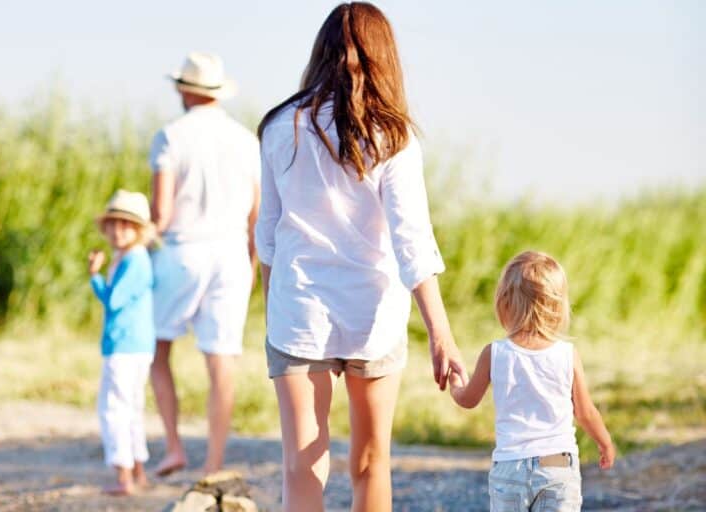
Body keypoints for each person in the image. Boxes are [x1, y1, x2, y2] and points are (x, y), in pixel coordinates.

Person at [254, 3, 466, 510]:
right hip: (374, 314)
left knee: (301, 465)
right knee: (372, 463)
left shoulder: (281, 125)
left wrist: (271, 306)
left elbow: (268, 233)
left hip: (298, 311)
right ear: (385, 56)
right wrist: (442, 332)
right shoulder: (395, 136)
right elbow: (411, 239)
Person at [148, 51, 261, 476]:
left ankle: (174, 445)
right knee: (221, 361)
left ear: (183, 89)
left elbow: (161, 213)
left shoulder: (170, 136)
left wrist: (140, 243)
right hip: (232, 254)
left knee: (158, 350)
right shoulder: (246, 139)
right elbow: (257, 212)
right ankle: (213, 464)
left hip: (182, 249)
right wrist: (251, 264)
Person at [449, 250, 615, 511]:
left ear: (503, 302)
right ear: (558, 306)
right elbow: (585, 412)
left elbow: (468, 400)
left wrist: (456, 384)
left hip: (510, 466)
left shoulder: (495, 353)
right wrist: (604, 442)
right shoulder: (567, 354)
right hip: (557, 464)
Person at [88, 190, 156, 496]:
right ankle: (138, 473)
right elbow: (114, 299)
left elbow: (113, 300)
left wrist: (96, 277)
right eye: (113, 224)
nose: (118, 231)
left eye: (126, 225)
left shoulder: (134, 261)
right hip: (135, 345)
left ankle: (123, 477)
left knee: (114, 408)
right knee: (131, 407)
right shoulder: (130, 258)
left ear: (140, 230)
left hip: (125, 346)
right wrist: (98, 277)